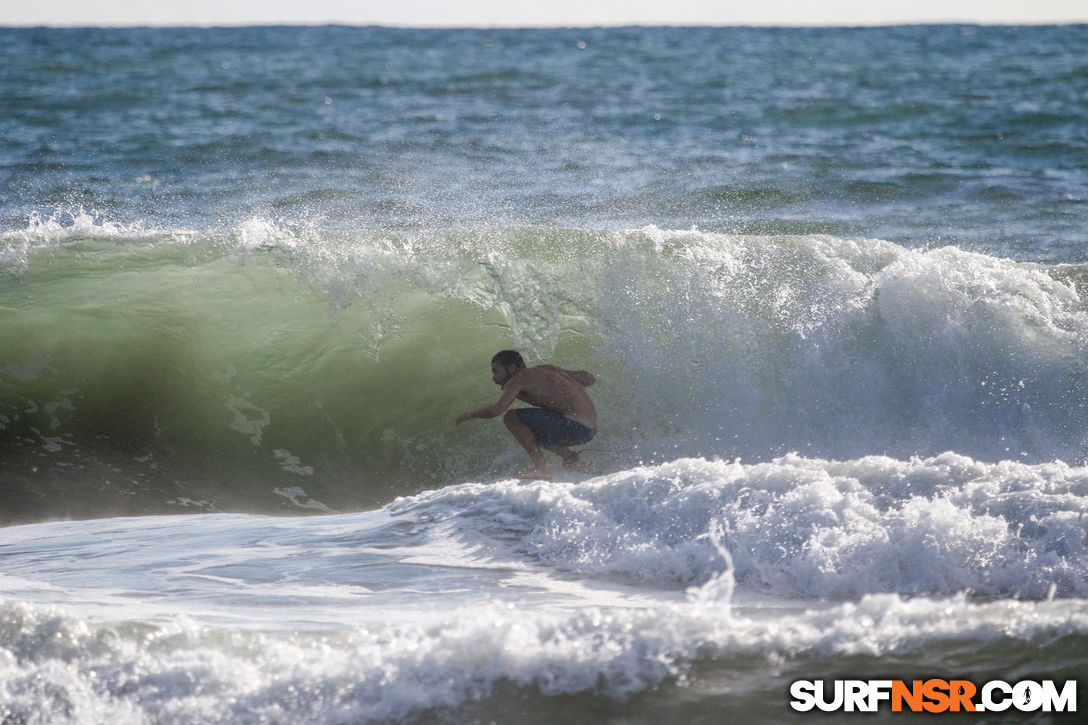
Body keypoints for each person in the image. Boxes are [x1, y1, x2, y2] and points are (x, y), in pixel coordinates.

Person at [455, 350, 597, 479]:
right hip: (589, 430)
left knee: (511, 417)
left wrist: (469, 415)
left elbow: (495, 411)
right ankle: (573, 461)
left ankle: (541, 469)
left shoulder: (518, 379)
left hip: (574, 427)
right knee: (533, 433)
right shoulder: (547, 369)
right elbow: (588, 378)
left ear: (511, 368)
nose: (493, 378)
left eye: (496, 371)